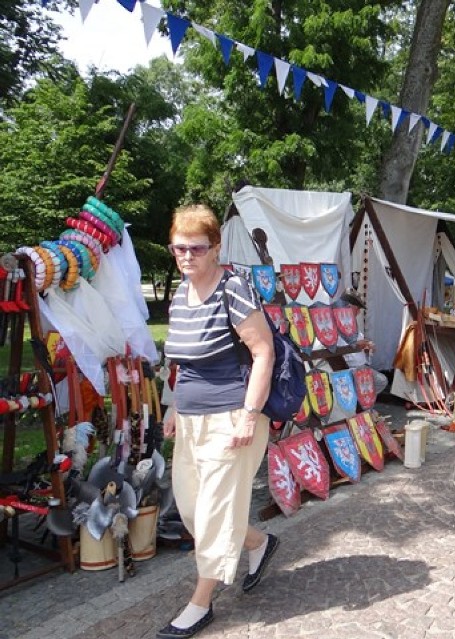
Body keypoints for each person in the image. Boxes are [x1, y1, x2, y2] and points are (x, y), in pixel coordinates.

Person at [160, 204, 279, 639]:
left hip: (231, 417)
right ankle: (258, 543)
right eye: (179, 248)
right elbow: (181, 363)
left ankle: (200, 603)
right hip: (190, 420)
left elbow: (263, 350)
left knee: (212, 514)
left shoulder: (233, 288)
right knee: (192, 509)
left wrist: (249, 415)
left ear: (215, 248)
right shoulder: (178, 294)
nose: (187, 256)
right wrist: (173, 407)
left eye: (196, 248)